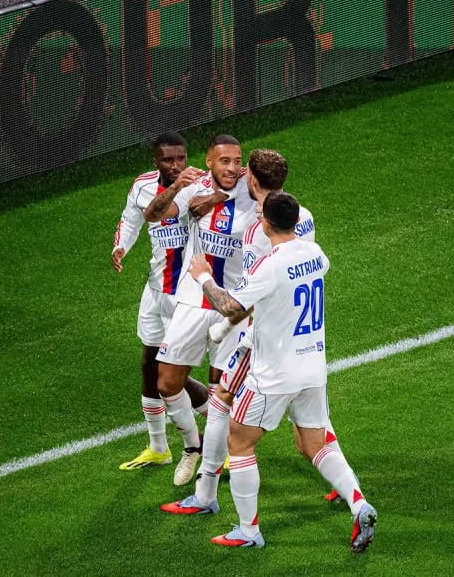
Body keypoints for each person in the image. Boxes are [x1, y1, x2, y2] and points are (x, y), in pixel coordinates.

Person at [160, 149, 350, 514]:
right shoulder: (301, 215)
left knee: (223, 406)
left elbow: (244, 299)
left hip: (262, 335)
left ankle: (209, 498)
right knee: (312, 421)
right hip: (303, 334)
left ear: (251, 178)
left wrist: (211, 293)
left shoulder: (256, 231)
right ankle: (347, 488)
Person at [186, 191, 377, 552]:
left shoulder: (268, 266)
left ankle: (248, 531)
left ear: (265, 223)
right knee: (315, 444)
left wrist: (203, 277)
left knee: (239, 442)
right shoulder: (315, 253)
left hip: (273, 374)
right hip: (313, 369)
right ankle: (358, 504)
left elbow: (230, 306)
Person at [142, 135, 257, 485]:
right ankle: (193, 446)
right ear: (209, 161)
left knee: (223, 394)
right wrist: (177, 186)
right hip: (192, 301)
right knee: (166, 383)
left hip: (232, 307)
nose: (232, 167)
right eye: (224, 161)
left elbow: (274, 176)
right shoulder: (193, 185)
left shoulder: (251, 189)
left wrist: (220, 197)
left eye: (237, 160)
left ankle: (217, 465)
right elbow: (153, 214)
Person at [113, 132, 211, 470]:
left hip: (184, 294)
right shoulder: (143, 186)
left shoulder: (200, 185)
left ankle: (218, 439)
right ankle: (158, 447)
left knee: (172, 377)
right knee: (148, 363)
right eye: (168, 160)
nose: (176, 165)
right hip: (155, 288)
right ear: (156, 161)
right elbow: (132, 219)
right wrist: (120, 246)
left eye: (181, 158)